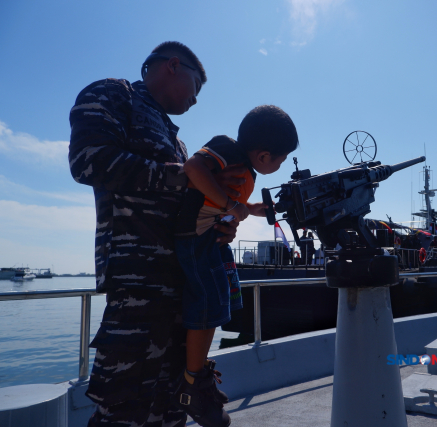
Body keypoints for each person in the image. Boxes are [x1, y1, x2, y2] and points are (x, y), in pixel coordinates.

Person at [69, 42, 243, 426]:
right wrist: (183, 177)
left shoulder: (177, 141)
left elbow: (182, 203)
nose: (196, 101)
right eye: (196, 88)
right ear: (173, 66)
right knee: (123, 406)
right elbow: (88, 161)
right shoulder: (114, 94)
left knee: (171, 406)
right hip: (137, 285)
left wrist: (215, 223)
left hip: (181, 286)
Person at [172, 105, 299, 426]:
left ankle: (196, 370)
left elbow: (235, 202)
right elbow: (193, 167)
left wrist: (253, 209)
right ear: (264, 155)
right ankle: (192, 381)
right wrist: (230, 205)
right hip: (196, 236)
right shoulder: (227, 148)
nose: (280, 165)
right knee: (209, 302)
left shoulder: (247, 168)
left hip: (212, 237)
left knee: (224, 300)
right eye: (281, 159)